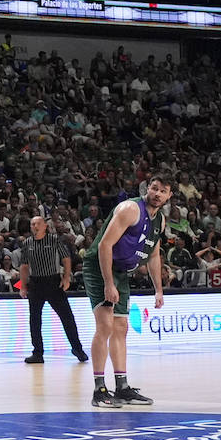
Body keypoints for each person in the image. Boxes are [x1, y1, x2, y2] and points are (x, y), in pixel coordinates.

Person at [83, 174, 171, 408]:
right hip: (100, 266)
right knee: (105, 325)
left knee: (121, 328)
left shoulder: (159, 221)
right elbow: (104, 245)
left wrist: (158, 290)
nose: (157, 194)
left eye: (163, 191)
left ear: (169, 196)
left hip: (121, 271)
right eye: (154, 188)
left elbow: (153, 255)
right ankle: (99, 389)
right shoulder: (130, 208)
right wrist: (108, 283)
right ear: (147, 189)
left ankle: (121, 387)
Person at [19, 216, 87, 364]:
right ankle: (37, 353)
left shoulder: (54, 240)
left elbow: (66, 258)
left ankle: (77, 349)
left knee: (67, 317)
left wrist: (66, 278)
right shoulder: (27, 243)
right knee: (34, 320)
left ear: (44, 226)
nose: (35, 226)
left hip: (53, 281)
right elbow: (24, 266)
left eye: (37, 224)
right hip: (35, 283)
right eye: (32, 224)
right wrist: (23, 286)